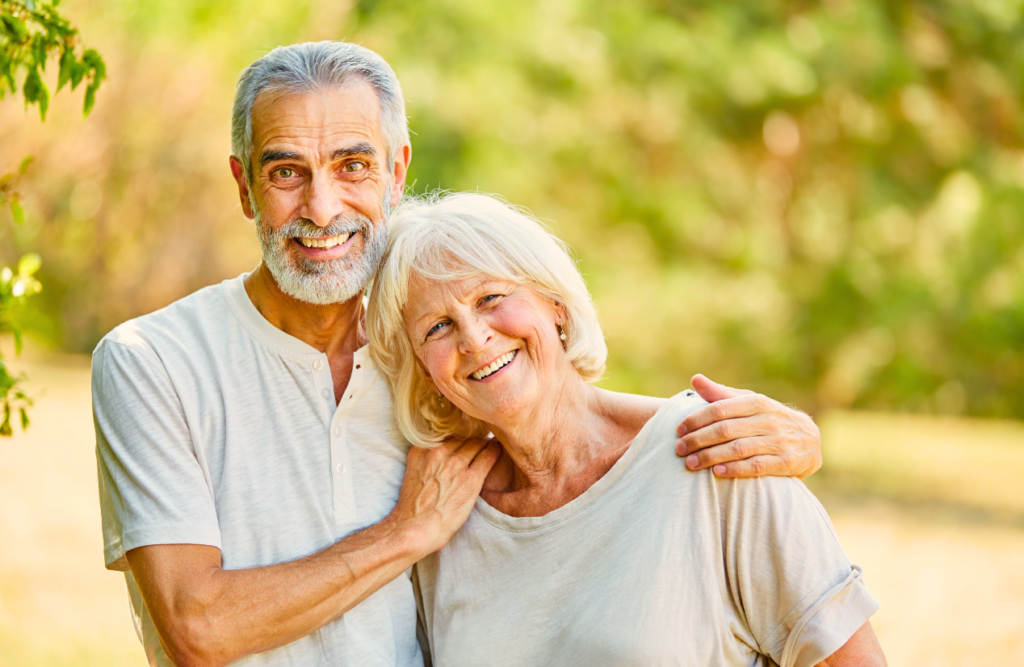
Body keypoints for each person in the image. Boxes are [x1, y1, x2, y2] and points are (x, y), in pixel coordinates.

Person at [93, 42, 823, 667]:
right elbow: (196, 626)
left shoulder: (431, 350)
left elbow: (565, 427)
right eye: (286, 172)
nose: (321, 208)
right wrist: (405, 533)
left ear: (397, 170)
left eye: (353, 165)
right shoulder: (151, 362)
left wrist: (738, 431)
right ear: (245, 185)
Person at [367, 192, 886, 667]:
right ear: (424, 371)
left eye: (490, 298)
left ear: (556, 305)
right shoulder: (443, 517)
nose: (475, 338)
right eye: (437, 327)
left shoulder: (717, 449)